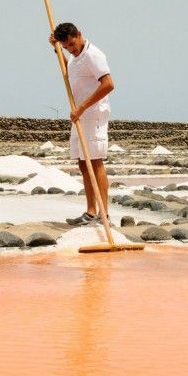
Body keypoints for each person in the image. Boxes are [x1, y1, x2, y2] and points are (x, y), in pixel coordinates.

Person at [49, 22, 114, 226]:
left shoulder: (93, 55)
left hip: (93, 114)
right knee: (82, 163)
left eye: (72, 44)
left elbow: (109, 84)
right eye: (66, 47)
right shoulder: (75, 57)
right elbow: (69, 70)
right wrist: (56, 48)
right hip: (79, 114)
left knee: (95, 161)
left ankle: (105, 215)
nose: (71, 49)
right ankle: (91, 212)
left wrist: (83, 107)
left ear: (80, 34)